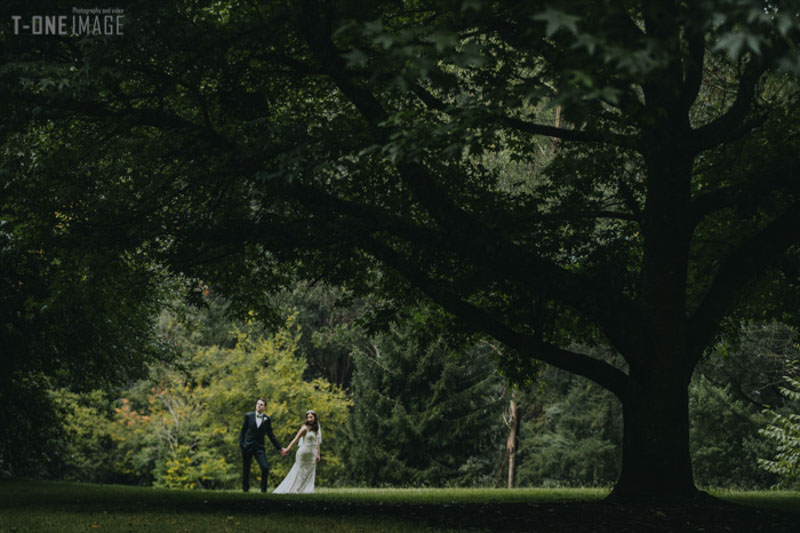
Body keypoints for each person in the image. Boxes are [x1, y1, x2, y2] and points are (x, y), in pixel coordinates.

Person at [239, 398, 288, 492]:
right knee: (246, 469)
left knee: (265, 467)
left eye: (261, 404)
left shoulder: (267, 419)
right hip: (247, 446)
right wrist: (242, 444)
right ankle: (245, 490)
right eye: (257, 404)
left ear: (265, 407)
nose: (259, 406)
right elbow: (243, 431)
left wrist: (280, 448)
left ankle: (263, 491)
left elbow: (271, 435)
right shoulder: (248, 416)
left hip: (259, 448)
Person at [273, 410, 322, 494]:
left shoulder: (316, 429)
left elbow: (317, 442)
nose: (309, 419)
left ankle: (307, 490)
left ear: (315, 418)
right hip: (303, 453)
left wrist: (318, 454)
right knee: (299, 471)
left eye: (311, 417)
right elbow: (295, 440)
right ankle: (293, 489)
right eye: (308, 417)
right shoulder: (304, 428)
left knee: (310, 472)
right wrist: (287, 449)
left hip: (312, 455)